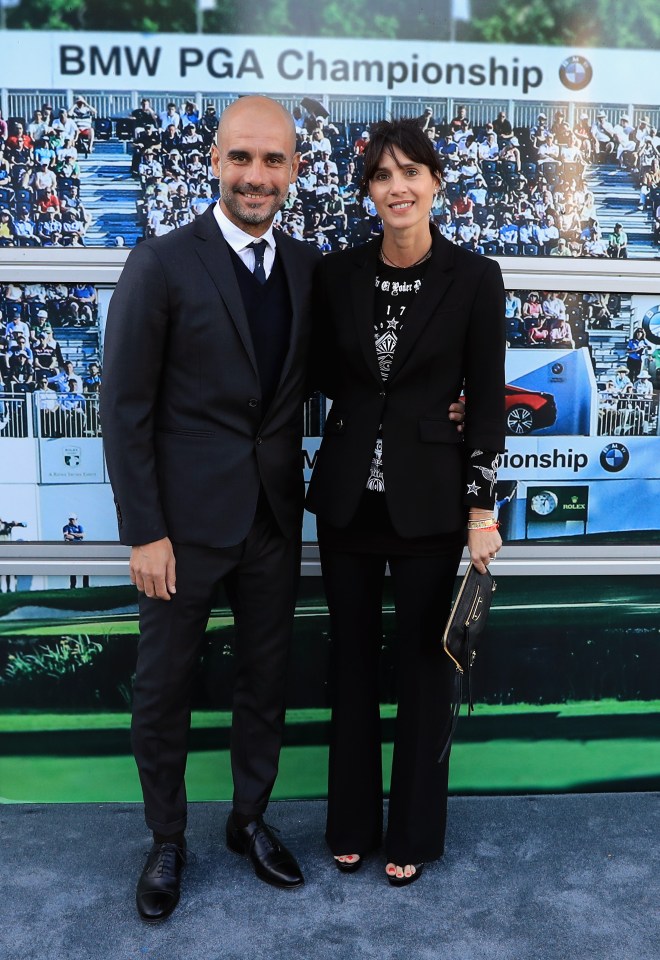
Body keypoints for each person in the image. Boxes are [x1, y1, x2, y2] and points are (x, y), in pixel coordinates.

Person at [101, 95, 323, 921]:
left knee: (265, 684)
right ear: (215, 161)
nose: (256, 175)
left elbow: (343, 375)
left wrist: (445, 403)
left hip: (271, 521)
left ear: (294, 169)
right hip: (181, 533)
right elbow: (123, 407)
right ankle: (167, 838)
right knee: (161, 691)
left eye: (273, 160)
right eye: (242, 158)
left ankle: (249, 820)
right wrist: (144, 532)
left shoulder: (307, 268)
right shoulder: (160, 263)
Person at [306, 119, 505, 887]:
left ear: (436, 183)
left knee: (426, 673)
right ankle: (351, 823)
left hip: (430, 504)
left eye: (411, 172)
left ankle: (413, 834)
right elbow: (326, 372)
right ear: (367, 191)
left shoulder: (473, 277)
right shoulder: (337, 276)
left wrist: (480, 510)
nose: (397, 187)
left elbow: (485, 401)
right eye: (383, 175)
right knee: (349, 668)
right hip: (347, 505)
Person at [63, 514, 89, 588]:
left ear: (76, 519)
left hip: (81, 549)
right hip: (71, 549)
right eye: (70, 519)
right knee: (73, 567)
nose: (72, 521)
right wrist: (77, 536)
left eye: (73, 519)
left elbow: (83, 535)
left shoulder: (79, 527)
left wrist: (73, 534)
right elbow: (67, 536)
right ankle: (73, 586)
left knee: (85, 567)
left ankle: (86, 586)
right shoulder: (66, 527)